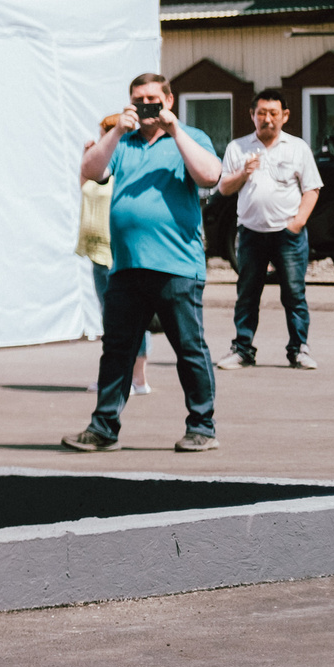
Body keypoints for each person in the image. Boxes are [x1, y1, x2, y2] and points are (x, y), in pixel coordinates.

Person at [64, 73, 221, 454]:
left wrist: (175, 129)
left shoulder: (190, 137)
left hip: (177, 267)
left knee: (190, 349)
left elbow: (210, 175)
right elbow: (90, 171)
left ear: (169, 99)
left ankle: (202, 427)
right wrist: (116, 131)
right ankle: (103, 428)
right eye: (139, 99)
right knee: (117, 349)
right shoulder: (124, 142)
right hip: (127, 267)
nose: (147, 106)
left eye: (153, 98)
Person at [217, 89, 323, 371]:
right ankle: (242, 349)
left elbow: (312, 189)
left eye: (273, 113)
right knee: (248, 293)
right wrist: (243, 173)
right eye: (261, 113)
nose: (267, 119)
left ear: (285, 116)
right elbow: (224, 187)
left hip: (288, 234)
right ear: (251, 115)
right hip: (251, 232)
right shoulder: (238, 148)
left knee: (294, 293)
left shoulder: (297, 147)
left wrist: (297, 223)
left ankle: (299, 349)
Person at [76, 122, 151, 398]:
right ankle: (119, 376)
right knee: (110, 318)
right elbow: (85, 185)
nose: (103, 140)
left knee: (131, 318)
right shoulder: (101, 168)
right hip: (99, 254)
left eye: (108, 135)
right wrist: (86, 159)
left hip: (122, 253)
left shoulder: (126, 168)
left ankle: (136, 378)